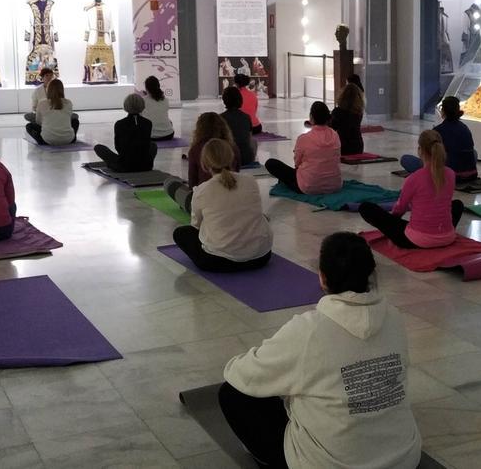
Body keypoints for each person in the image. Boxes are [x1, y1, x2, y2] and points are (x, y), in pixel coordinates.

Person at [217, 232, 421, 469]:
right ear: (371, 275)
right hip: (404, 459)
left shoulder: (308, 330)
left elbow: (242, 374)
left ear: (322, 278)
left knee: (232, 395)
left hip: (328, 465)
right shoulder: (394, 318)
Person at [173, 139, 272, 272]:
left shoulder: (202, 190)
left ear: (205, 163)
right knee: (261, 219)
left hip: (218, 262)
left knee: (181, 233)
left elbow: (196, 225)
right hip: (260, 257)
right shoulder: (250, 181)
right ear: (232, 158)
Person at [360, 131, 463, 249]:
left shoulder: (413, 178)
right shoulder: (451, 174)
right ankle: (440, 232)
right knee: (457, 205)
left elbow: (400, 208)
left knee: (366, 207)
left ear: (420, 150)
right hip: (448, 237)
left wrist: (393, 221)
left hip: (417, 240)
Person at [164, 112, 240, 211]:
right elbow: (237, 173)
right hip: (231, 199)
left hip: (203, 203)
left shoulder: (196, 149)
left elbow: (193, 183)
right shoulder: (233, 147)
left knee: (169, 182)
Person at [264, 102, 341, 195]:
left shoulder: (304, 138)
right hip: (335, 185)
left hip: (309, 186)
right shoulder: (335, 136)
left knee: (271, 163)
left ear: (311, 117)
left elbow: (297, 163)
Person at [400, 96, 477, 180]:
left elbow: (427, 154)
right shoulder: (465, 128)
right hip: (470, 173)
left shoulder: (438, 130)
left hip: (448, 172)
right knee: (473, 153)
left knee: (405, 159)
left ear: (442, 111)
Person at [93, 93, 156, 172]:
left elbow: (118, 147)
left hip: (124, 166)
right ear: (142, 105)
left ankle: (117, 165)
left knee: (98, 147)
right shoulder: (148, 123)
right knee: (153, 145)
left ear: (126, 106)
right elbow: (146, 144)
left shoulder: (119, 124)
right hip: (146, 166)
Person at [25, 78, 79, 145]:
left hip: (47, 140)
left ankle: (45, 140)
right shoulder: (68, 102)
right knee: (75, 121)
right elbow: (69, 118)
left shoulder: (42, 103)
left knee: (29, 126)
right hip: (69, 140)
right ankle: (71, 137)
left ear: (48, 89)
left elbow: (38, 121)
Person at [220, 85, 256, 165]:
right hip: (246, 158)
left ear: (224, 100)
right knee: (254, 141)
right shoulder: (246, 117)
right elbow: (249, 137)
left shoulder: (221, 118)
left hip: (229, 159)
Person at [330, 83, 365, 156]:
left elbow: (331, 128)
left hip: (343, 146)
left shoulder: (337, 112)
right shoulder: (359, 113)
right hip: (358, 146)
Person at [141, 76, 175, 140]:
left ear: (146, 88)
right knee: (169, 122)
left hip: (150, 136)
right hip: (168, 134)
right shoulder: (165, 100)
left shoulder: (143, 100)